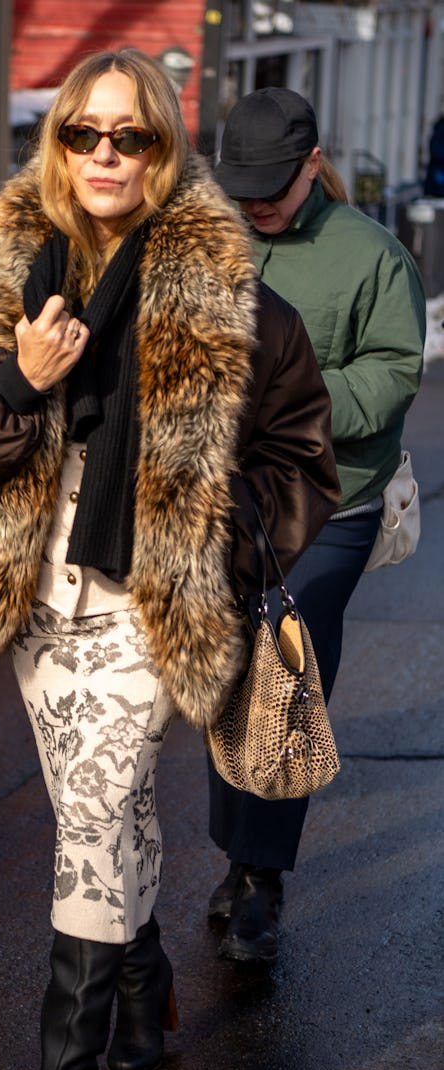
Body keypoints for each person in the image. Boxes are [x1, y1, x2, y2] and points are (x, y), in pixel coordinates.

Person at [0, 49, 339, 1070]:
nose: (103, 157)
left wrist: (213, 551)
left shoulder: (230, 292)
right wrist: (21, 381)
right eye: (83, 133)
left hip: (143, 610)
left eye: (128, 138)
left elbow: (301, 455)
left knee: (87, 820)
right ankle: (142, 1005)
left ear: (161, 151)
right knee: (113, 806)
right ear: (57, 143)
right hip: (32, 604)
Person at [210, 87, 426, 964]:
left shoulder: (373, 256)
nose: (257, 201)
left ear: (312, 166)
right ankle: (238, 857)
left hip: (333, 500)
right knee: (223, 671)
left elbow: (393, 371)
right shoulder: (210, 246)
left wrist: (284, 399)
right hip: (224, 497)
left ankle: (262, 877)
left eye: (274, 184)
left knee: (284, 664)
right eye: (242, 184)